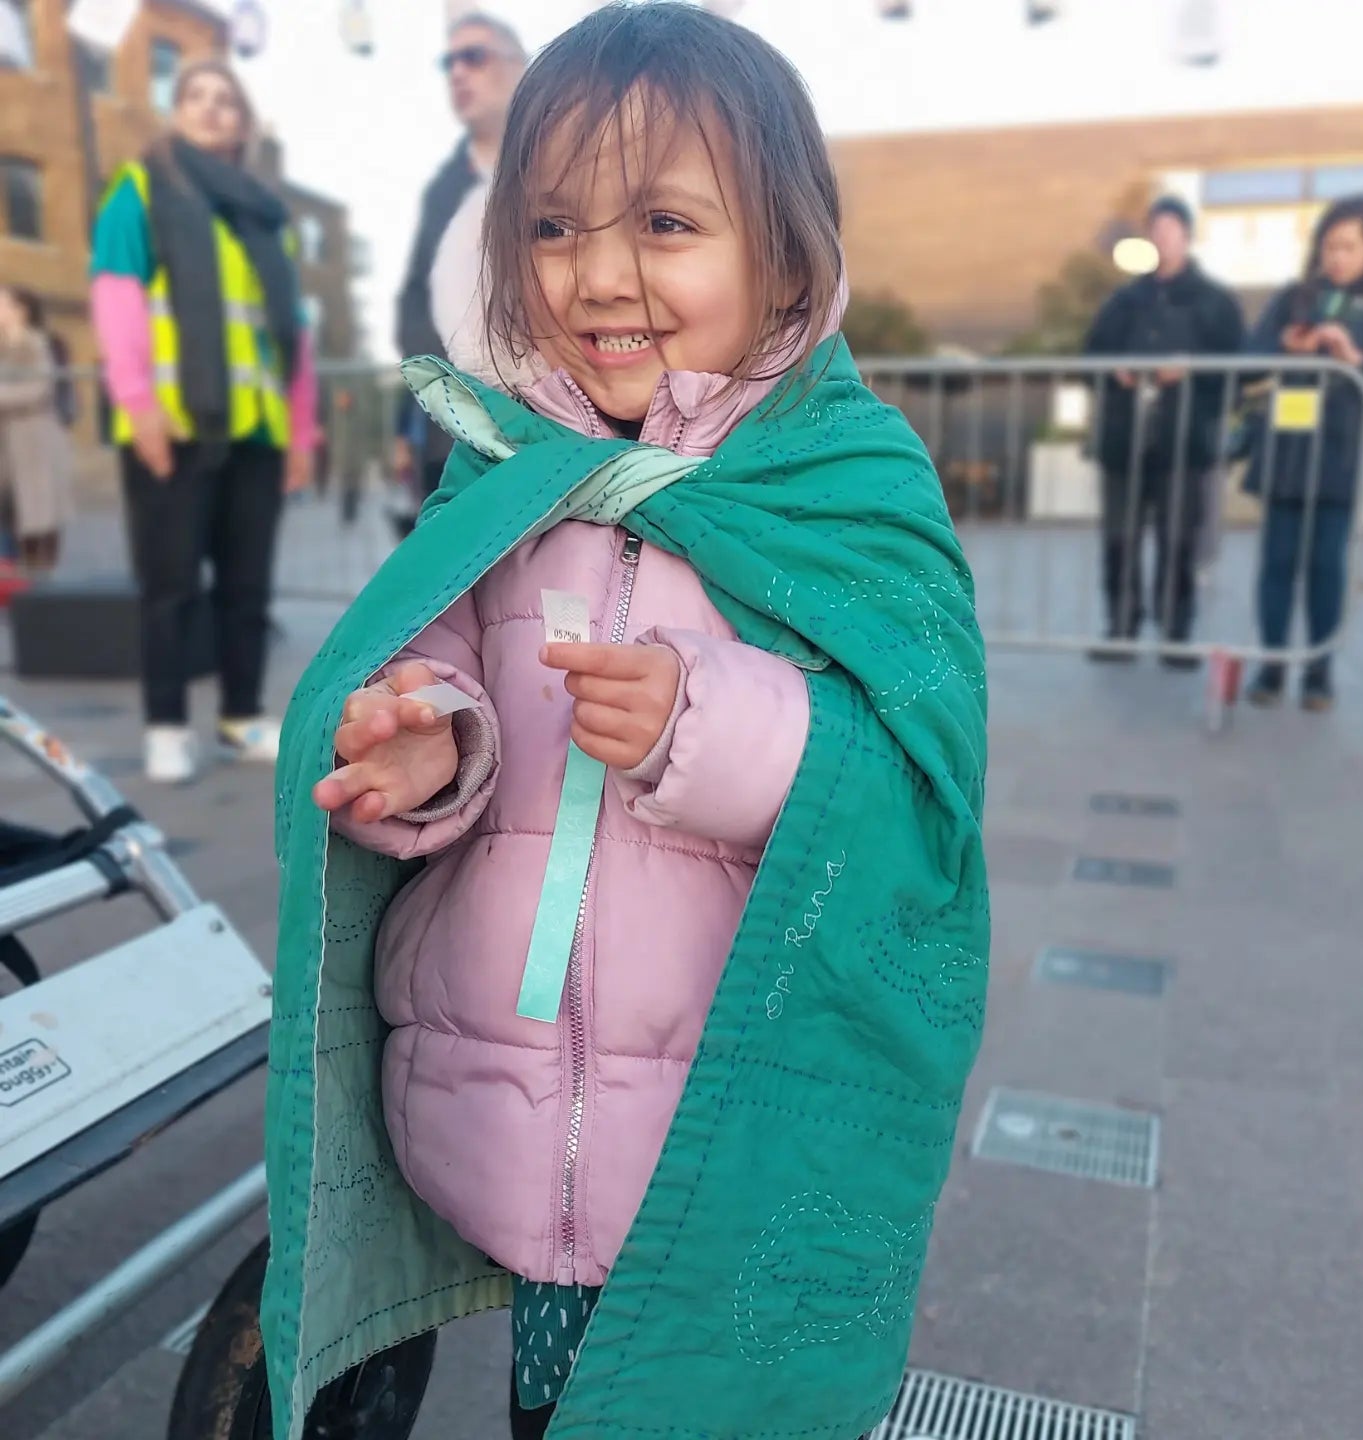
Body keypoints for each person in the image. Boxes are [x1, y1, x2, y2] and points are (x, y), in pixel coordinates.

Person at [263, 7, 989, 1439]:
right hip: (508, 1105)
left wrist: (696, 729)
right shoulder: (505, 468)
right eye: (550, 228)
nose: (599, 276)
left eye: (663, 222)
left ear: (786, 247)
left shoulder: (846, 478)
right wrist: (431, 742)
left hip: (718, 1127)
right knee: (554, 1409)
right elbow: (433, 650)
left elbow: (916, 777)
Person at [90, 58, 318, 783]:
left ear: (242, 120)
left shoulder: (265, 214)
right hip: (174, 427)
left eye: (226, 101)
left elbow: (293, 333)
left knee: (247, 586)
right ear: (176, 111)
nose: (213, 110)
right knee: (171, 585)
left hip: (257, 431)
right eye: (198, 98)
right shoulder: (143, 188)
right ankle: (165, 724)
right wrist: (139, 407)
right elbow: (118, 297)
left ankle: (240, 718)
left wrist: (302, 432)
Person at [1244, 195, 1363, 712]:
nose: (1337, 257)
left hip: (1341, 455)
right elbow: (1248, 360)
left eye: (1349, 246)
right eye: (1330, 246)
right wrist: (1284, 347)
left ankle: (1318, 675)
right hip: (1286, 451)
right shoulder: (1295, 296)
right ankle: (1271, 667)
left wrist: (1353, 356)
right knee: (1277, 562)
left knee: (1327, 564)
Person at [1084, 196, 1244, 664]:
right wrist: (1117, 372)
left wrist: (1190, 371)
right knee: (1120, 538)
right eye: (1156, 228)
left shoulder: (1214, 302)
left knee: (1178, 540)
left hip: (1183, 442)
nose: (1163, 237)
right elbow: (1090, 357)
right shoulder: (1124, 301)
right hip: (1125, 440)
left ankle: (1175, 634)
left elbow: (1237, 367)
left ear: (1187, 235)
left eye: (1172, 228)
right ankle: (1121, 626)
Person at [393, 9, 528, 507]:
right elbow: (414, 306)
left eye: (473, 57)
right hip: (449, 437)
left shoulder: (566, 168)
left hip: (545, 434)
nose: (458, 73)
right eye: (447, 62)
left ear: (520, 67)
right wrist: (406, 421)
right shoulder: (442, 191)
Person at [0, 284, 73, 574]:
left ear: (21, 311)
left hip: (34, 439)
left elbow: (40, 388)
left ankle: (39, 585)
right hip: (8, 442)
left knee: (38, 517)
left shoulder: (37, 343)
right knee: (14, 516)